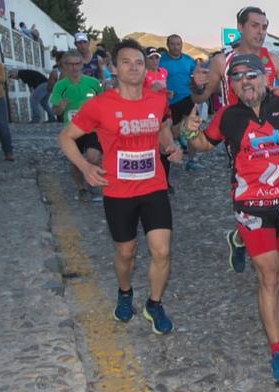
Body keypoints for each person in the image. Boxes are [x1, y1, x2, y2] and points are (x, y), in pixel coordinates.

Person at [181, 54, 279, 383]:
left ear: (265, 77)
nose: (245, 82)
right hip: (251, 206)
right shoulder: (227, 117)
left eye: (250, 75)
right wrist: (187, 134)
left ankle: (239, 242)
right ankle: (278, 350)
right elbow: (201, 145)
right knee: (268, 278)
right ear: (232, 86)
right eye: (237, 77)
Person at [58, 39, 183, 334]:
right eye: (126, 62)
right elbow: (65, 137)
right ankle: (125, 292)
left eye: (139, 62)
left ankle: (154, 303)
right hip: (118, 192)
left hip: (153, 188)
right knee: (126, 253)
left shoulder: (157, 99)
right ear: (114, 68)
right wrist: (86, 166)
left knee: (162, 251)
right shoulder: (100, 105)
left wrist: (171, 147)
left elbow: (162, 128)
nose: (134, 68)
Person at [196, 6, 279, 275]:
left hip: (271, 135)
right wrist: (196, 85)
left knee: (274, 197)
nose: (261, 32)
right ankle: (243, 237)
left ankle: (250, 241)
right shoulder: (223, 61)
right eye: (255, 26)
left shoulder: (272, 59)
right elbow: (201, 97)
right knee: (247, 199)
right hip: (237, 136)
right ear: (240, 28)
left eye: (265, 26)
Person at [50, 48, 106, 200]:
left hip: (92, 128)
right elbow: (55, 109)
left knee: (93, 157)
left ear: (82, 64)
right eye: (70, 64)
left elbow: (104, 104)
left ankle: (93, 184)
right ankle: (81, 188)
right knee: (76, 162)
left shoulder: (94, 83)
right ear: (65, 66)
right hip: (71, 130)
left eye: (77, 64)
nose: (74, 68)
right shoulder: (60, 86)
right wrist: (60, 108)